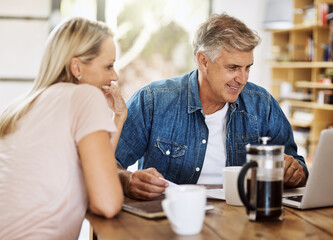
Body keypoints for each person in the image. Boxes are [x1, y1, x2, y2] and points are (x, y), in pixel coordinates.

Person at [115, 13, 308, 200]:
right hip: (173, 216)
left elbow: (298, 166)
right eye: (232, 68)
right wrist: (127, 180)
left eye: (247, 67)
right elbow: (107, 163)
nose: (242, 79)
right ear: (203, 61)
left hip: (241, 219)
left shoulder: (262, 104)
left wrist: (294, 173)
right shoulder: (153, 101)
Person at [0, 17, 126, 239]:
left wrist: (118, 118)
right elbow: (107, 203)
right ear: (77, 66)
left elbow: (94, 173)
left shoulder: (19, 107)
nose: (114, 76)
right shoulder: (85, 96)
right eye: (108, 65)